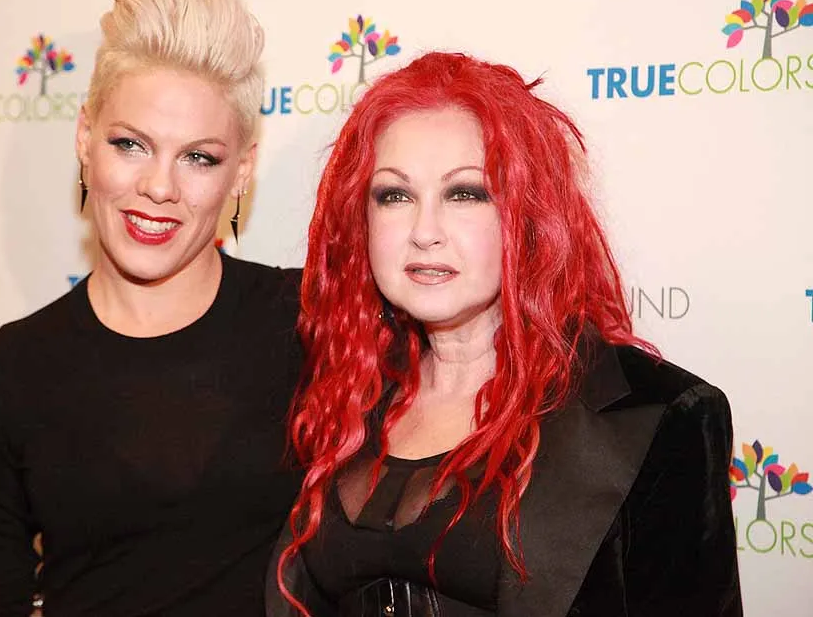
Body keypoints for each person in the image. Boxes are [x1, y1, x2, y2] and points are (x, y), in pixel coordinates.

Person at [267, 52, 742, 617]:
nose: (424, 231)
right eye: (395, 195)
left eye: (465, 193)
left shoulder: (657, 414)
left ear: (530, 217)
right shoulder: (339, 394)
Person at [0, 0, 304, 616]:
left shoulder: (311, 322)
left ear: (241, 170)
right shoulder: (6, 372)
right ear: (85, 139)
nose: (159, 187)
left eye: (198, 157)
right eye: (130, 144)